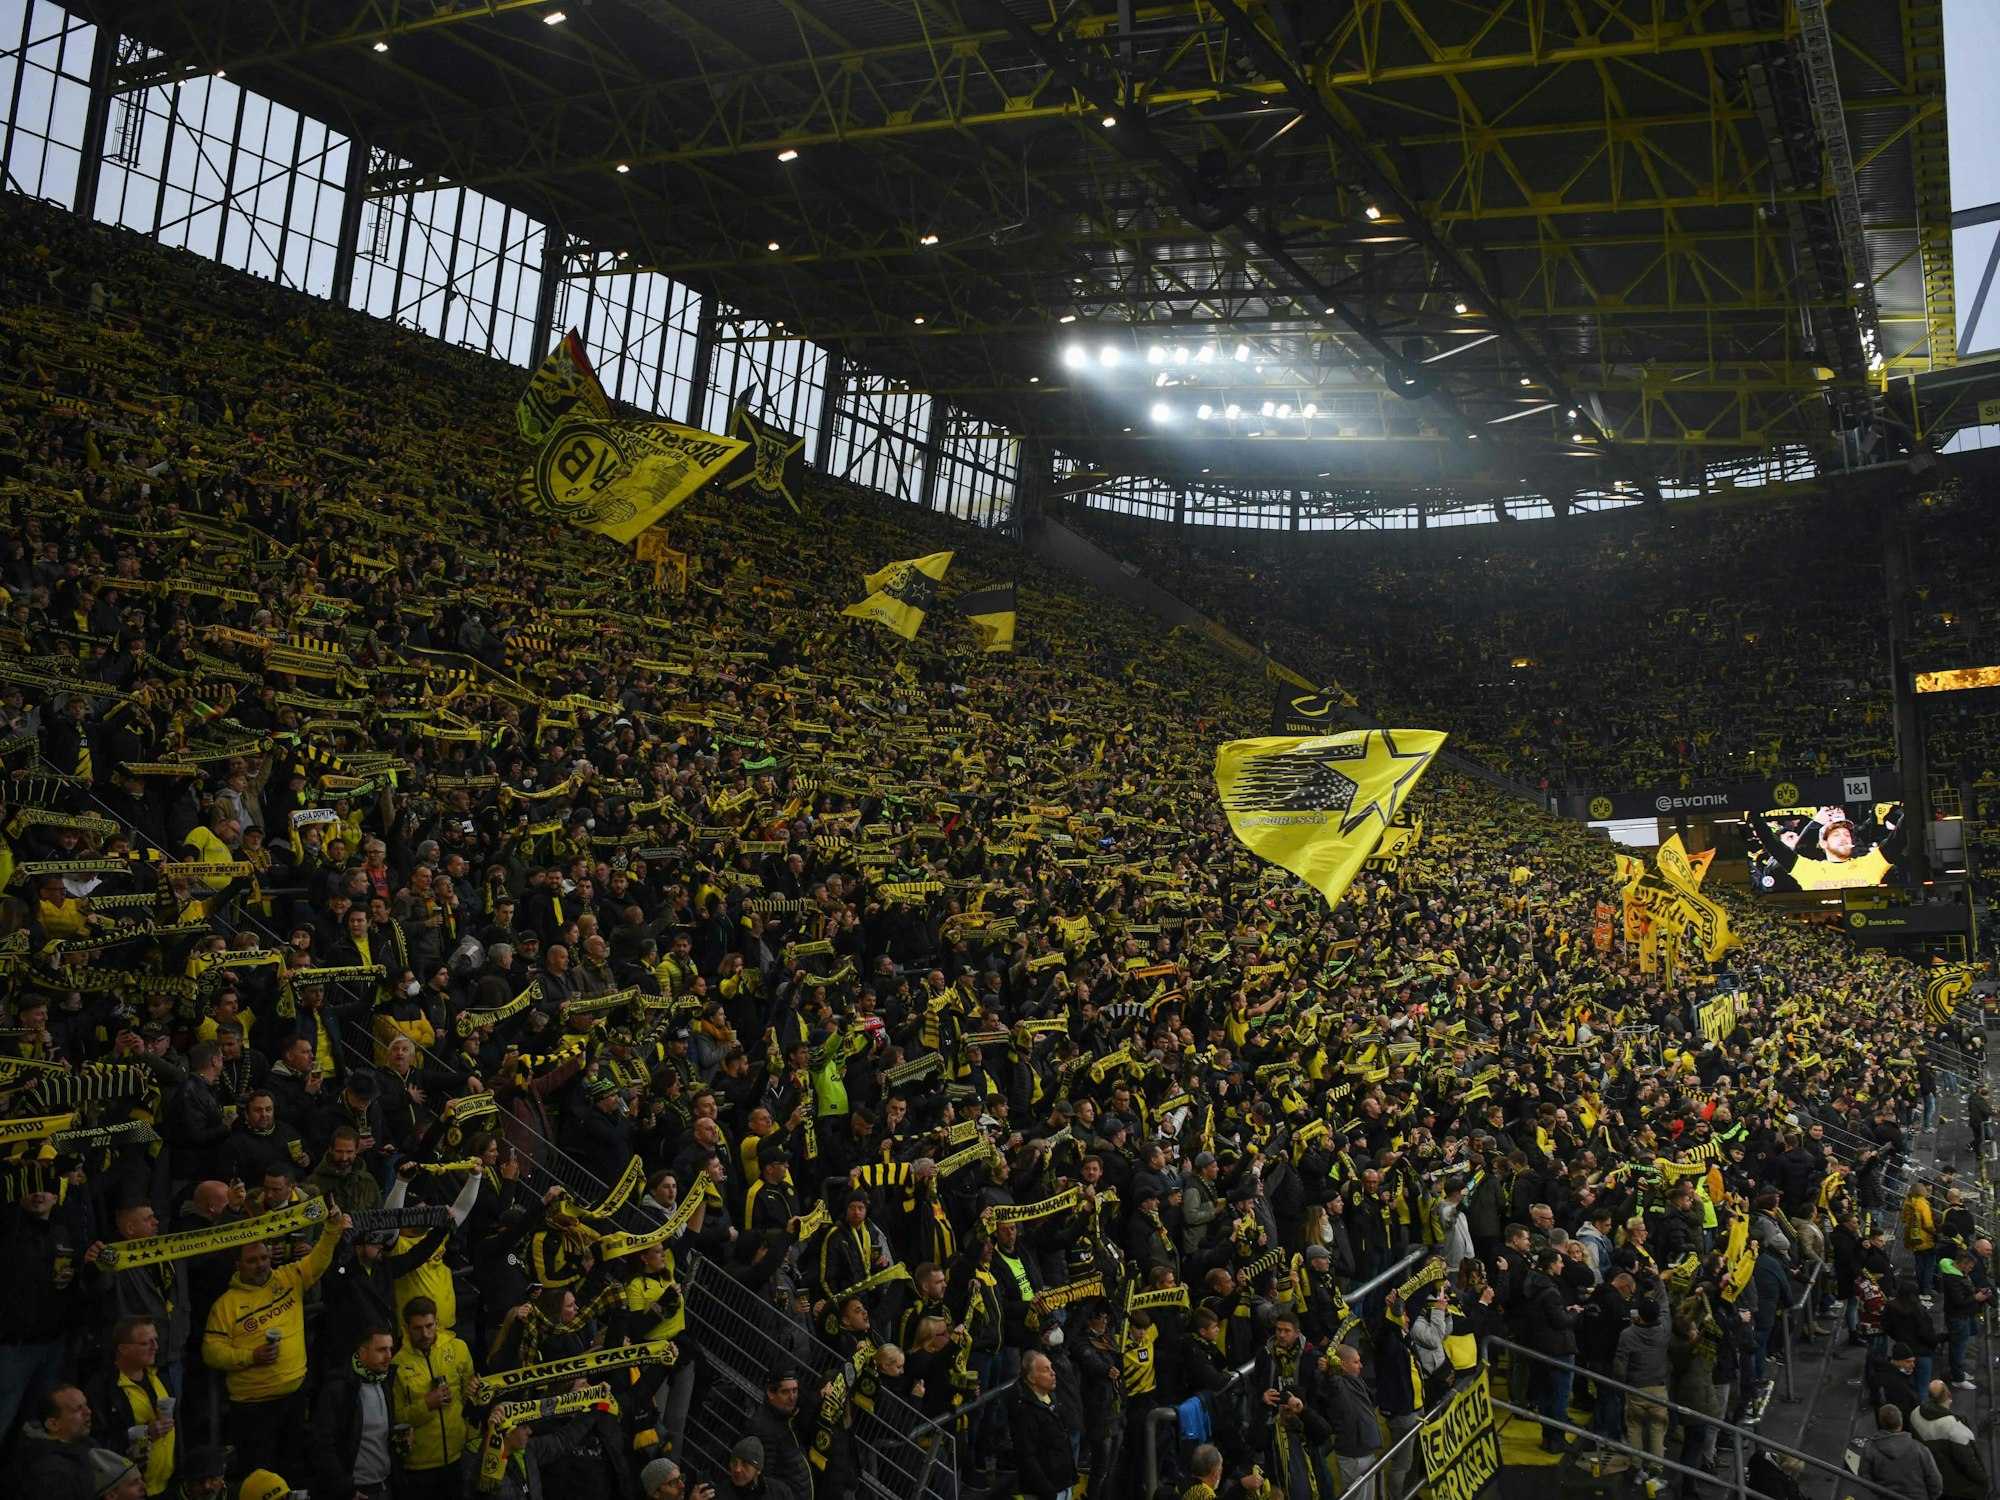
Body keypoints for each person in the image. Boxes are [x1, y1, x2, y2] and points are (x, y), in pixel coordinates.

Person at [200, 1214, 348, 1477]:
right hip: (252, 1408)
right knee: (259, 1475)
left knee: (291, 1471)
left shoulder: (288, 1277)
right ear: (238, 1265)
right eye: (252, 1261)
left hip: (293, 1398)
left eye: (264, 1258)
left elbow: (319, 1259)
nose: (261, 1265)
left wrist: (331, 1231)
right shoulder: (226, 1304)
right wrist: (250, 1356)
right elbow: (211, 1351)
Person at [391, 1296, 475, 1500]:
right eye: (418, 1328)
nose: (425, 1334)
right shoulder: (396, 1364)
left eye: (429, 1326)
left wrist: (476, 1391)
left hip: (457, 1456)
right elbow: (395, 1418)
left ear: (437, 1321)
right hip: (419, 1465)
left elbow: (470, 1400)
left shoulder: (458, 1348)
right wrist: (426, 1404)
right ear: (406, 1328)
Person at [87, 1317, 176, 1498]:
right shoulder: (102, 1388)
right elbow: (96, 1444)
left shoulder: (160, 1375)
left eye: (155, 1339)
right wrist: (144, 1434)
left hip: (170, 1485)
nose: (155, 1347)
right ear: (123, 1349)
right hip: (134, 1491)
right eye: (146, 1343)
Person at [308, 1326, 397, 1500]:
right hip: (356, 1491)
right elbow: (322, 1445)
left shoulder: (384, 1381)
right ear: (362, 1353)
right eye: (381, 1350)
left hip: (385, 1485)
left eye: (390, 1349)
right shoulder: (338, 1389)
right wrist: (346, 1489)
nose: (389, 1356)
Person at [1007, 1351, 1078, 1500]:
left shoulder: (1050, 1397)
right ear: (1031, 1378)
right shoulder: (1024, 1410)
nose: (1053, 1373)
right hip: (1047, 1492)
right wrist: (1047, 1492)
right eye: (1046, 1370)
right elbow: (1026, 1457)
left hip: (1063, 1485)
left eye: (1051, 1368)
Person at [1910, 1380, 1987, 1499]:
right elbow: (1968, 1462)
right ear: (1949, 1394)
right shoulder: (1953, 1427)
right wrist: (1983, 1478)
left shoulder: (1915, 1414)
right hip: (1958, 1489)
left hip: (1933, 1478)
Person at [20, 1385, 98, 1500]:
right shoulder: (49, 1472)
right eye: (77, 1409)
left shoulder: (88, 1443)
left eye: (86, 1405)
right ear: (53, 1424)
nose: (88, 1411)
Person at [1858, 1403, 1943, 1500]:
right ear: (1901, 1422)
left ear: (1881, 1422)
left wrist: (1880, 1493)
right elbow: (1935, 1483)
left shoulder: (1869, 1449)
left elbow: (1864, 1479)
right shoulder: (1920, 1449)